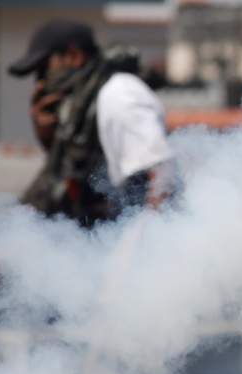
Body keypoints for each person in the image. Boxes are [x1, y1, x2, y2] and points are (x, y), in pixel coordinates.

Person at [9, 19, 173, 226]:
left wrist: (136, 247)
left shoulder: (119, 93)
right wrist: (46, 133)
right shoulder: (81, 110)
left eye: (43, 69)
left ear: (74, 56)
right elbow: (69, 177)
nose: (40, 82)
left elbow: (161, 175)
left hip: (133, 238)